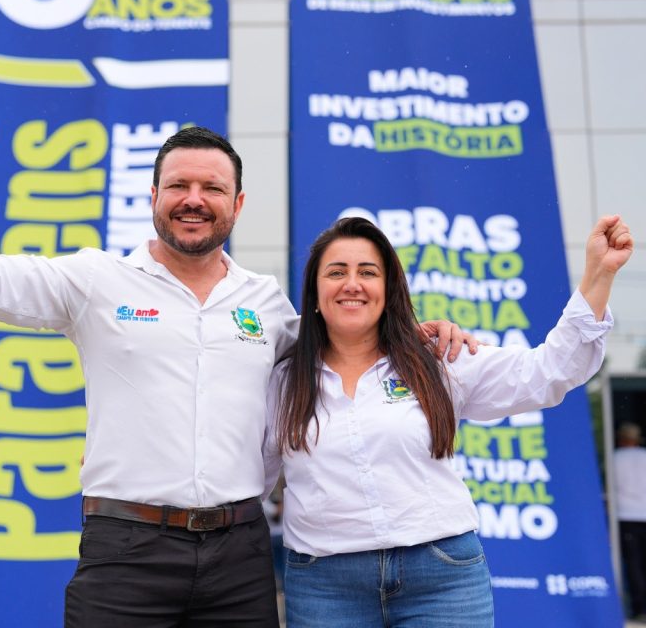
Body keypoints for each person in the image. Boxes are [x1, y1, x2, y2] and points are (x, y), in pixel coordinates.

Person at [0, 102, 475, 628]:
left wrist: (417, 332)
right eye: (179, 186)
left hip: (239, 552)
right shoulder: (95, 280)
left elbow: (344, 342)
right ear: (154, 196)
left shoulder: (265, 301)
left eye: (212, 188)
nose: (194, 200)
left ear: (237, 204)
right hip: (126, 548)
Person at [263, 213, 633, 628]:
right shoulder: (281, 381)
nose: (352, 284)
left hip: (440, 578)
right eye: (336, 272)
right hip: (325, 587)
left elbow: (547, 373)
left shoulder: (438, 361)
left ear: (389, 289)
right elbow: (249, 476)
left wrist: (599, 275)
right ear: (314, 292)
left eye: (368, 272)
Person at [613, 421, 646, 622]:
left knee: (634, 565)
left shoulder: (615, 458)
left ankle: (640, 608)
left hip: (627, 516)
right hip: (638, 514)